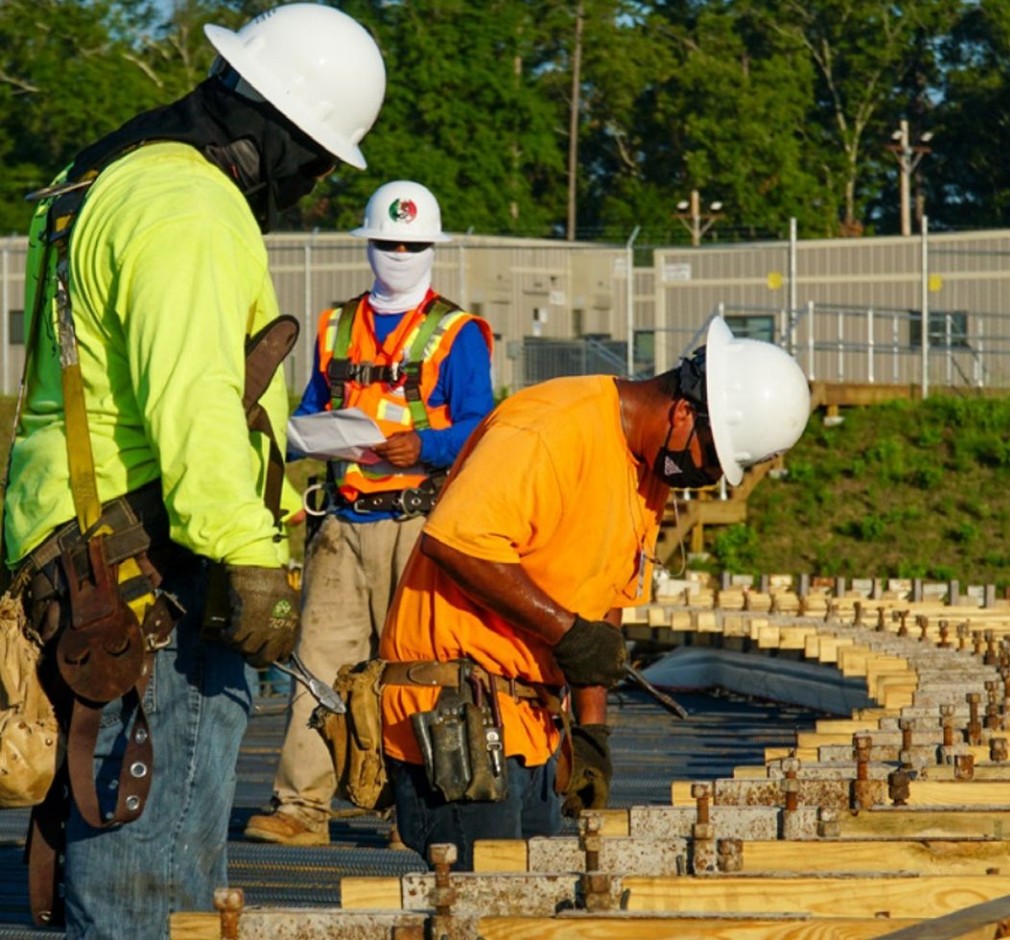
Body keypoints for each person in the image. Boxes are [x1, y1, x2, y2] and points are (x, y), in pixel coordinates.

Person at [3, 4, 385, 935]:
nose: (313, 183)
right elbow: (196, 403)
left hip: (84, 554)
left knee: (129, 862)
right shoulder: (189, 207)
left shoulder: (110, 178)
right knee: (154, 890)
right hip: (156, 574)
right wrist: (254, 558)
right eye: (318, 160)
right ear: (282, 135)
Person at [377, 315, 813, 869]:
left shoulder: (645, 470)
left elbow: (600, 613)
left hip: (529, 721)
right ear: (683, 413)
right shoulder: (553, 428)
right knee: (479, 906)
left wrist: (591, 736)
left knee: (528, 906)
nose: (704, 480)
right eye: (709, 461)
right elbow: (456, 542)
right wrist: (566, 633)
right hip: (456, 708)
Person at [245, 181, 495, 847]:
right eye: (388, 243)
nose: (400, 254)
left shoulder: (459, 335)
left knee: (416, 668)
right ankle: (301, 808)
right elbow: (303, 412)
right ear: (368, 245)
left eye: (412, 244)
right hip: (342, 523)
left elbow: (481, 427)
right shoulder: (334, 327)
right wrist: (307, 435)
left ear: (432, 248)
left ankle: (410, 812)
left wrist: (429, 445)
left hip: (418, 522)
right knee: (318, 664)